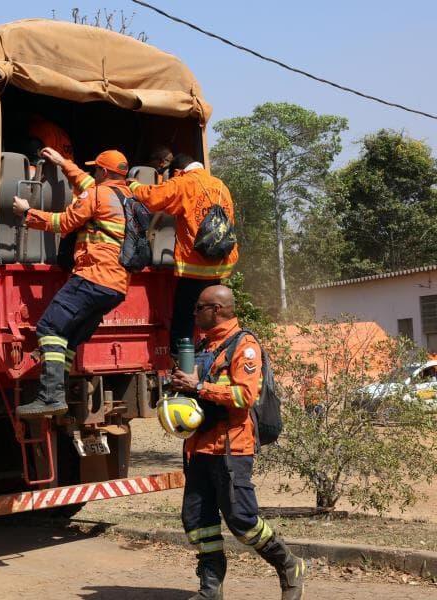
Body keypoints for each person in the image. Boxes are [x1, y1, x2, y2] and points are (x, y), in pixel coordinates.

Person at [169, 285, 305, 600]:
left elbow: (245, 396)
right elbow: (195, 393)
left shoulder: (244, 346)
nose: (194, 313)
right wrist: (179, 386)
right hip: (198, 448)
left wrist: (199, 386)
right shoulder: (204, 345)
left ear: (216, 309)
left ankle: (289, 564)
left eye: (199, 307)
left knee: (242, 520)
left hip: (230, 448)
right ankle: (210, 590)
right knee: (198, 521)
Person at [12, 147, 132, 417]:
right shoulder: (127, 196)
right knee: (67, 337)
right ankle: (57, 395)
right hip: (117, 285)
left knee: (49, 327)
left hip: (93, 277)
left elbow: (64, 223)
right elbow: (87, 183)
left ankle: (50, 397)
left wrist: (27, 212)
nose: (92, 173)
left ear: (103, 172)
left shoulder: (98, 193)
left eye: (95, 169)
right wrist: (64, 163)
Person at [129, 153, 238, 356]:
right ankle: (211, 356)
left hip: (195, 267)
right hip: (219, 266)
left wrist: (133, 185)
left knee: (184, 317)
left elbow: (152, 198)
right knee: (211, 316)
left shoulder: (184, 183)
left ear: (178, 172)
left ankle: (181, 363)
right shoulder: (220, 185)